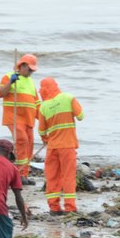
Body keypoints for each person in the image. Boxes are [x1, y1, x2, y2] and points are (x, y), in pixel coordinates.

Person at [38, 77, 84, 214]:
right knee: (68, 176)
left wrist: (46, 139)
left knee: (52, 177)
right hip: (67, 146)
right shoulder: (68, 98)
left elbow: (41, 131)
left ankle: (54, 207)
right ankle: (70, 207)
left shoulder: (44, 106)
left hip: (52, 148)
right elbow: (81, 115)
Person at [0, 54, 40, 185]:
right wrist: (11, 82)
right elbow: (0, 93)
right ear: (22, 65)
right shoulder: (9, 76)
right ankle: (19, 174)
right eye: (30, 69)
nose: (31, 72)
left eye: (33, 70)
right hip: (14, 117)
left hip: (29, 119)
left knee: (30, 143)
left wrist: (44, 120)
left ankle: (24, 174)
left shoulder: (31, 82)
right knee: (22, 140)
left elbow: (37, 103)